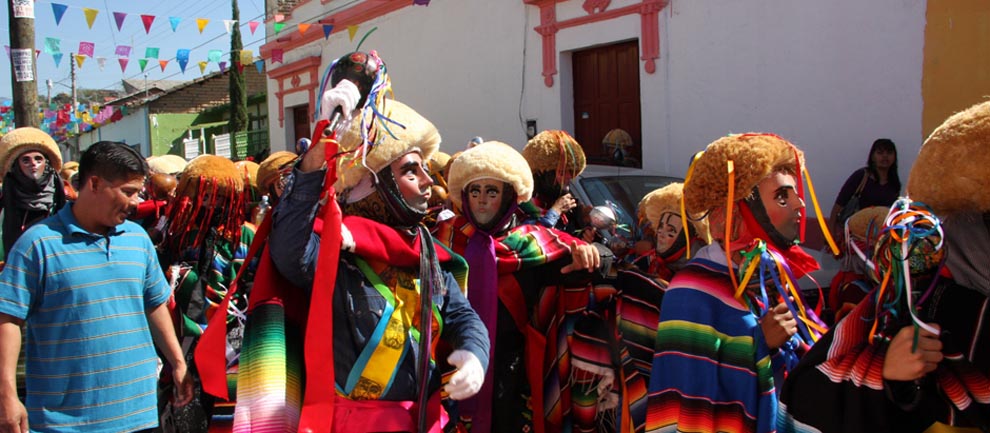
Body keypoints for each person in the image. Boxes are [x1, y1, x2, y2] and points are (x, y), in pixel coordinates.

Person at [269, 84, 488, 432]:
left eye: (425, 169)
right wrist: (319, 150)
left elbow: (462, 316)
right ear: (373, 185)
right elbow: (288, 249)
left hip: (425, 420)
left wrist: (475, 354)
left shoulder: (425, 252)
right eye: (412, 171)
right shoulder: (334, 250)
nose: (428, 181)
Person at [779, 100, 990, 433]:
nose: (798, 205)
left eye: (888, 152)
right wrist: (889, 373)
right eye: (781, 197)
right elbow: (815, 391)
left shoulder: (894, 184)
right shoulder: (914, 301)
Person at [0, 141, 193, 432]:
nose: (136, 202)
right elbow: (8, 320)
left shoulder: (138, 239)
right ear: (94, 184)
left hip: (139, 413)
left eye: (138, 192)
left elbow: (154, 304)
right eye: (128, 192)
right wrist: (7, 395)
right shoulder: (37, 244)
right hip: (64, 422)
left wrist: (177, 362)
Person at [646, 133, 828, 433]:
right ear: (738, 210)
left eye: (796, 194)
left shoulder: (773, 279)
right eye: (782, 197)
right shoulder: (690, 291)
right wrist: (760, 344)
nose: (799, 205)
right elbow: (690, 397)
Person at [437, 140, 607, 432]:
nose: (481, 200)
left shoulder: (532, 242)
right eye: (475, 191)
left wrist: (591, 257)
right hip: (451, 362)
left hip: (512, 370)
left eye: (492, 192)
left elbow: (576, 268)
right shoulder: (442, 239)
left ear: (509, 197)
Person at [158, 155, 256, 433]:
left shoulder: (245, 235)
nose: (213, 203)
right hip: (186, 334)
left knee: (228, 408)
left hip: (232, 334)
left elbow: (254, 282)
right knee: (187, 408)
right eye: (206, 194)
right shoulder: (179, 232)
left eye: (221, 197)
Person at [0, 127, 67, 262]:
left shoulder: (65, 198)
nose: (33, 164)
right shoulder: (4, 199)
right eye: (26, 160)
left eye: (38, 159)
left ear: (46, 164)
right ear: (16, 166)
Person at [632, 182, 710, 281]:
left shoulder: (699, 273)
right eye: (660, 227)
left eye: (671, 230)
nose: (661, 234)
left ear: (686, 238)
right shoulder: (648, 263)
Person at [828, 138, 901, 243]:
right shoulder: (861, 176)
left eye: (889, 153)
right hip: (855, 238)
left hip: (881, 240)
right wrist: (830, 234)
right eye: (880, 153)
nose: (885, 156)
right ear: (873, 157)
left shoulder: (894, 182)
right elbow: (838, 206)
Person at [521, 130, 586, 232]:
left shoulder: (567, 210)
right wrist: (555, 211)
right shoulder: (522, 206)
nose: (569, 177)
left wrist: (584, 230)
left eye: (570, 172)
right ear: (541, 173)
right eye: (562, 172)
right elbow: (530, 237)